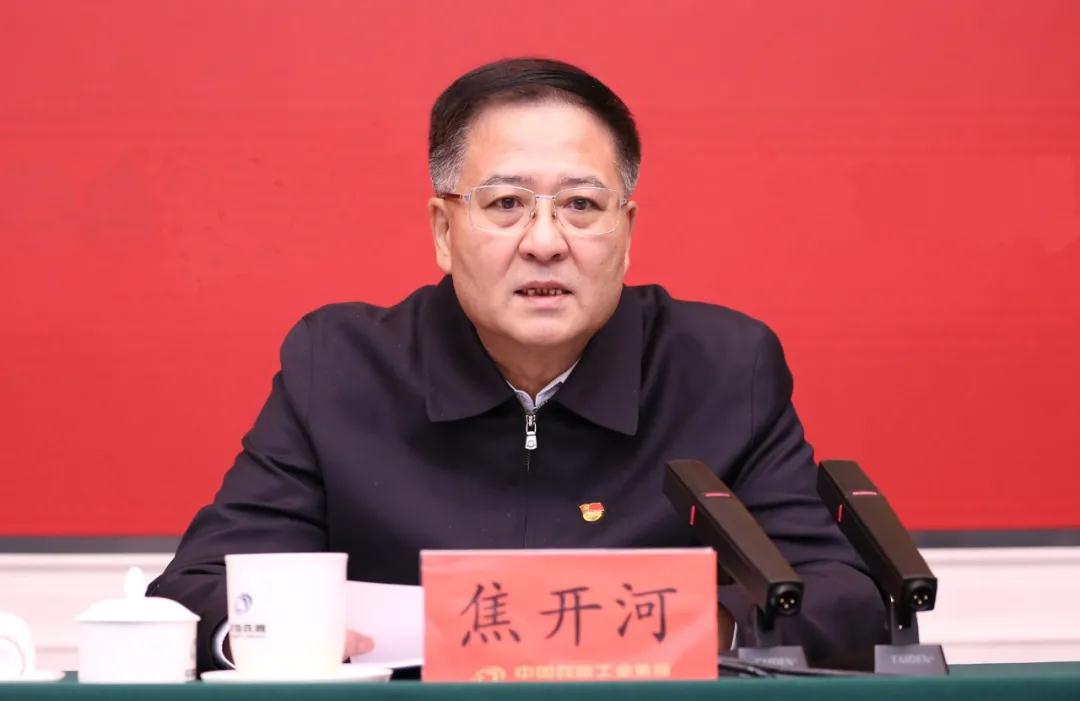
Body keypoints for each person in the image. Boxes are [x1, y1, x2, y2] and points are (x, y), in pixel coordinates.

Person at [149, 57, 887, 673]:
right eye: (505, 203)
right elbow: (196, 593)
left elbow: (843, 603)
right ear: (444, 231)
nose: (544, 241)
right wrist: (285, 636)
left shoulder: (722, 369)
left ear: (627, 233)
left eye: (581, 205)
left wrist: (686, 630)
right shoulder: (339, 367)